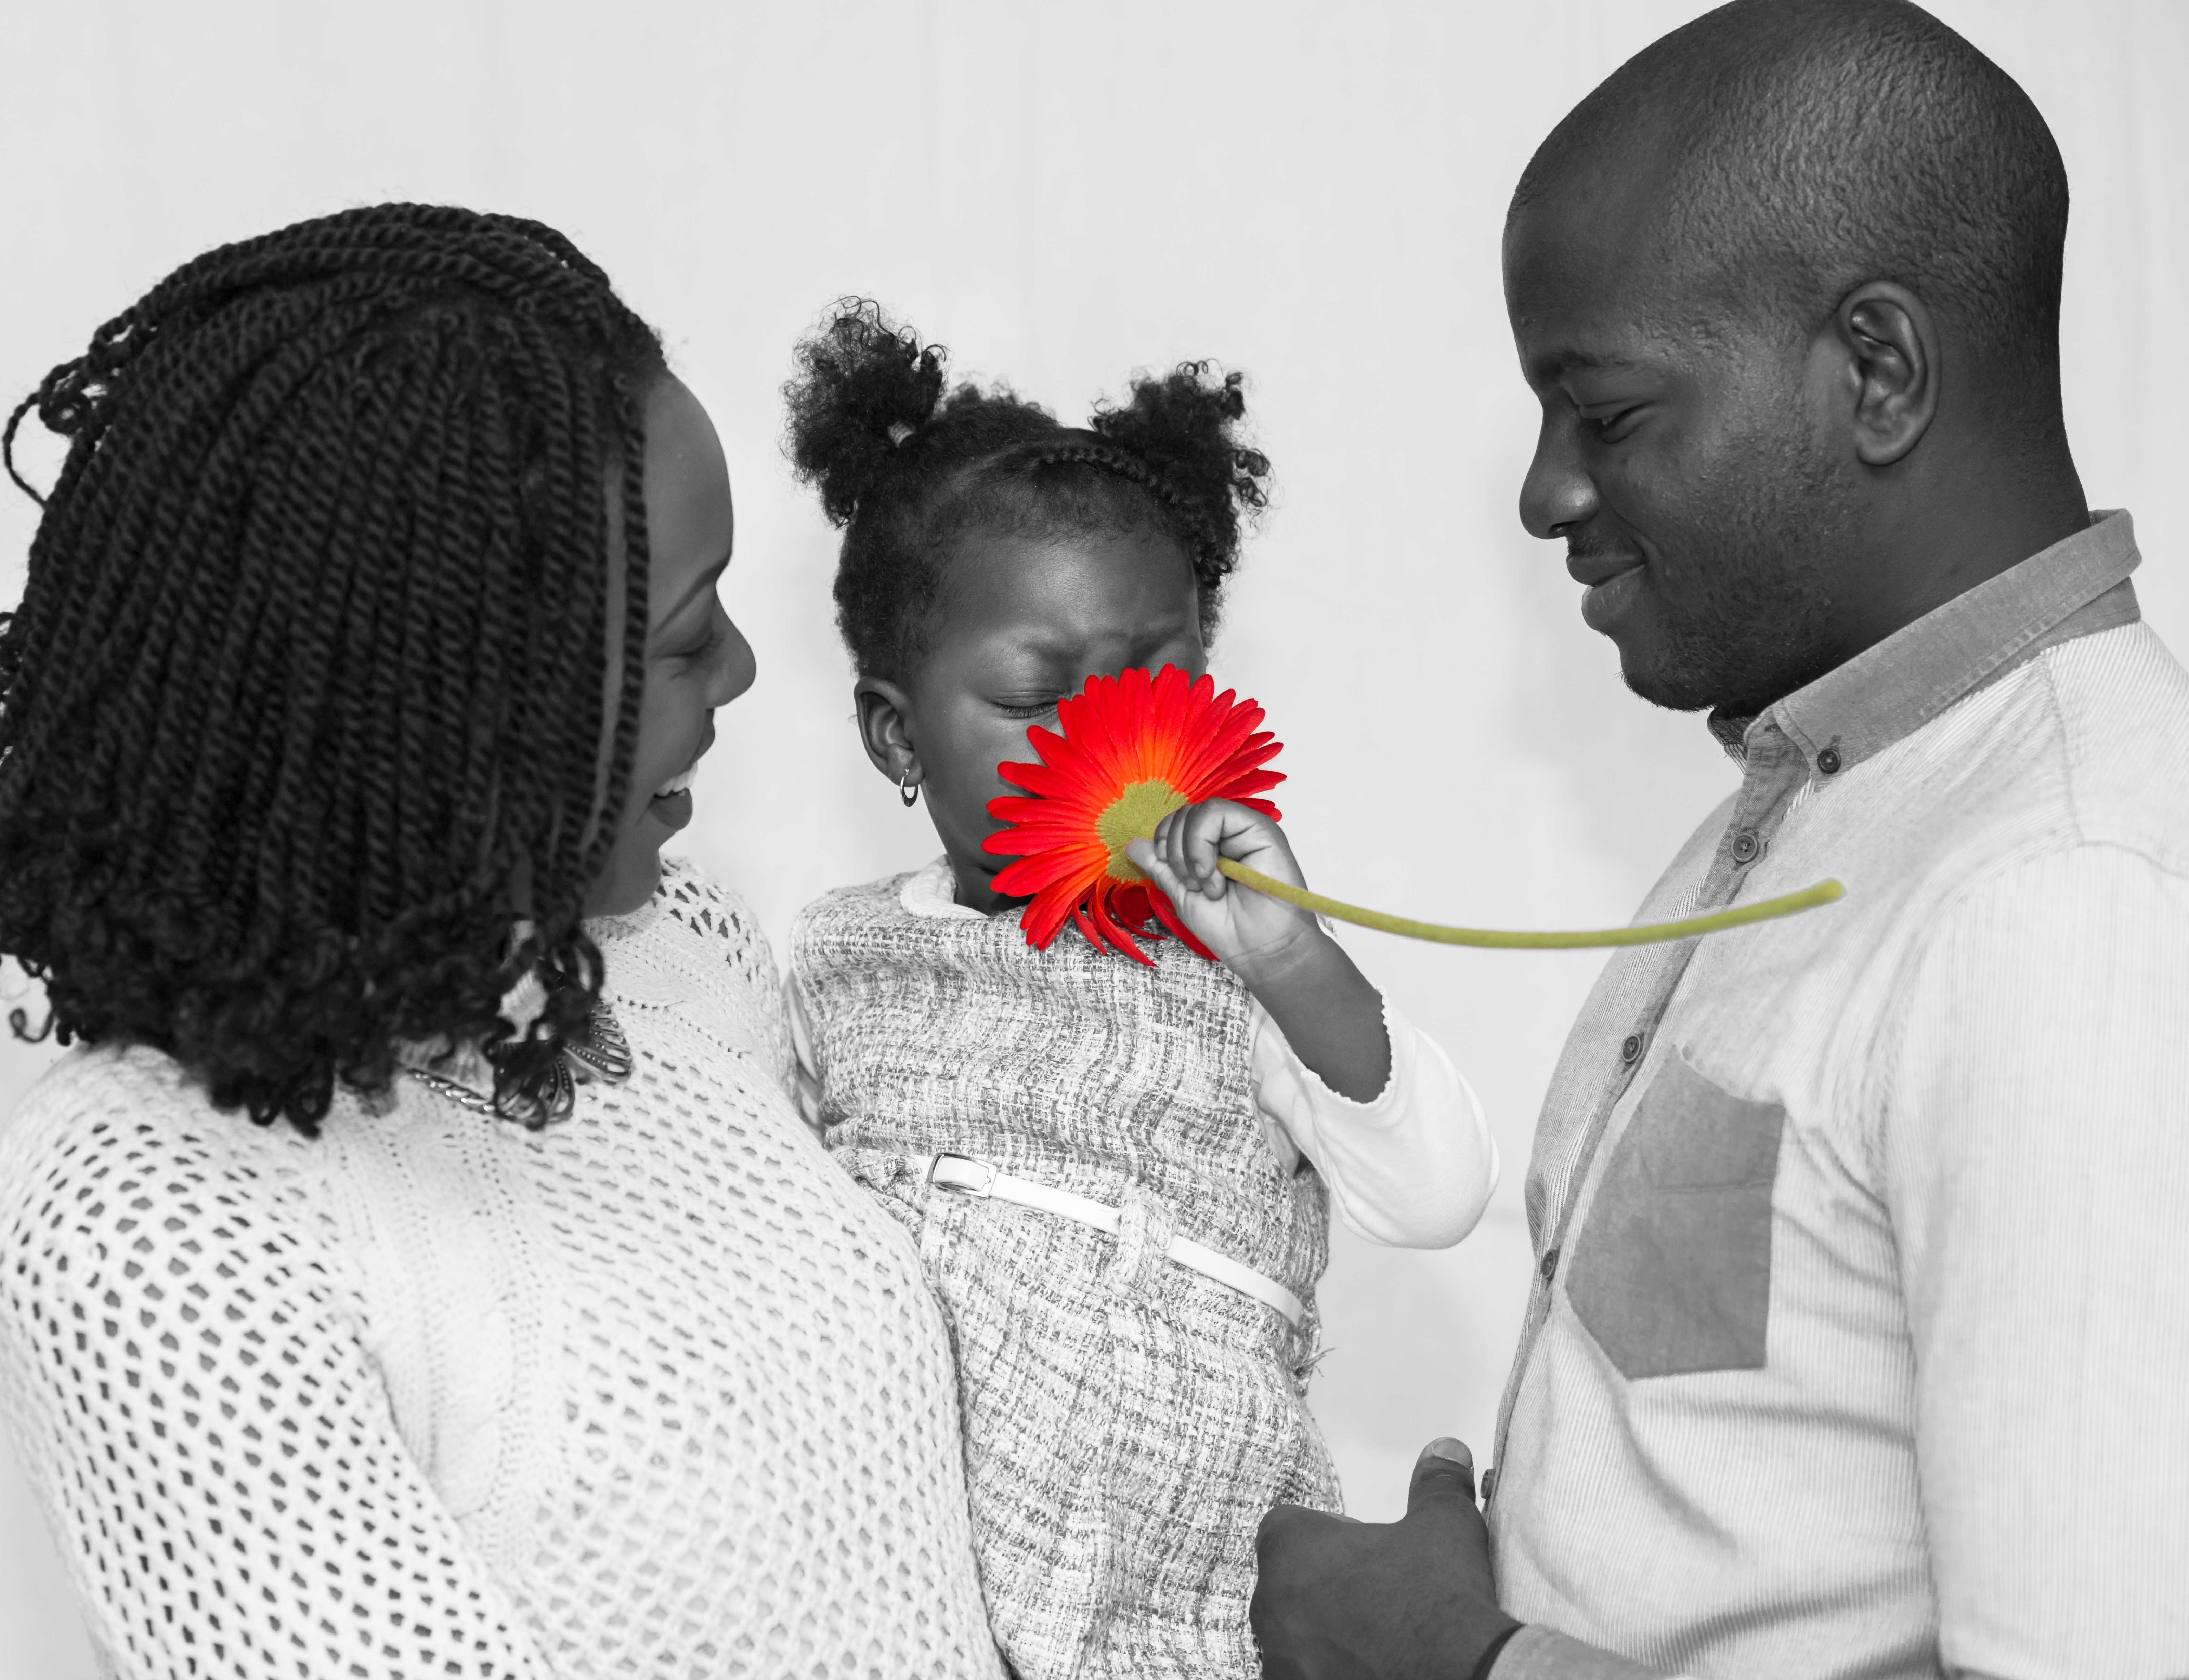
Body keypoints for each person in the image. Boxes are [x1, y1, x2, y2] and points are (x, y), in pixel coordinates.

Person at [0, 208, 1006, 1678]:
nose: (745, 668)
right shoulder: (146, 1217)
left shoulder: (678, 950)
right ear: (455, 702)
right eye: (686, 636)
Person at [1249, 4, 2189, 1678]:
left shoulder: (2068, 895)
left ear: (1877, 372)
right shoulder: (1822, 799)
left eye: (1605, 414)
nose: (1544, 494)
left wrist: (1464, 1663)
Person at [777, 302, 1499, 1679]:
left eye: (1157, 682)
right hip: (924, 1600)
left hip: (1207, 1610)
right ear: (895, 735)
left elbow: (1439, 1193)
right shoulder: (836, 966)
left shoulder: (1241, 972)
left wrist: (1292, 959)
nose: (1107, 739)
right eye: (1037, 698)